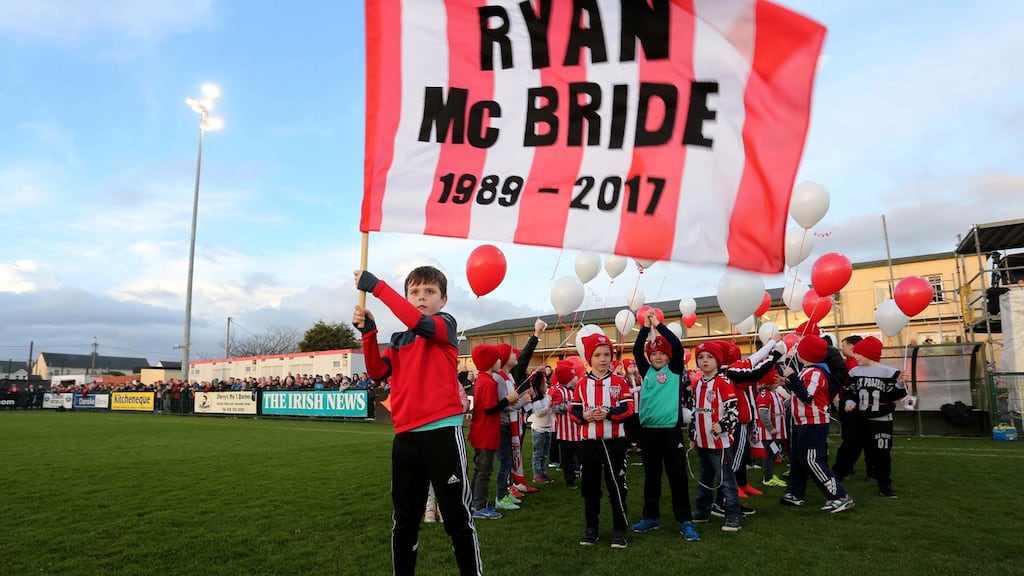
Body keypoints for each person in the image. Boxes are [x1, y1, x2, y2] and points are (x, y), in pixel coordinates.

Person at [352, 266, 482, 576]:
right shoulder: (399, 340)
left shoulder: (445, 325)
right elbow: (376, 371)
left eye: (429, 292)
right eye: (414, 292)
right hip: (406, 437)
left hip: (442, 433)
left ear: (443, 299)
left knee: (457, 519)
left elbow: (419, 322)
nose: (421, 297)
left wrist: (378, 287)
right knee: (405, 521)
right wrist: (369, 333)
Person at [629, 310, 701, 542]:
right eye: (654, 353)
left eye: (662, 353)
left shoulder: (675, 370)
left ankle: (685, 520)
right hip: (648, 432)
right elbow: (636, 349)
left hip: (671, 432)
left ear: (670, 357)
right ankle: (651, 517)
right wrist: (643, 327)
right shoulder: (646, 370)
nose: (658, 357)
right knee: (652, 476)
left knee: (677, 476)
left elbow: (677, 346)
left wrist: (658, 325)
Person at [569, 333, 635, 549]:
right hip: (588, 443)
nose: (603, 359)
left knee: (616, 486)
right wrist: (584, 416)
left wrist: (608, 412)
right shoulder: (581, 384)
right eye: (597, 355)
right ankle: (591, 527)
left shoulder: (619, 381)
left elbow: (629, 408)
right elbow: (573, 410)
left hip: (614, 442)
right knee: (590, 487)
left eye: (607, 354)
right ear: (590, 358)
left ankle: (619, 529)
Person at [779, 334, 854, 513]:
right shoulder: (807, 372)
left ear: (805, 354)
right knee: (797, 459)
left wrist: (792, 378)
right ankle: (795, 493)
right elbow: (799, 391)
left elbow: (807, 395)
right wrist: (787, 382)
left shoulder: (815, 373)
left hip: (813, 424)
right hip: (800, 422)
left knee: (812, 460)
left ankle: (839, 495)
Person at [832, 336, 907, 498]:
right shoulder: (854, 372)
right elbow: (850, 391)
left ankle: (884, 486)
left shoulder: (890, 372)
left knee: (881, 454)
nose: (855, 356)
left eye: (858, 353)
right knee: (847, 451)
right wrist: (849, 402)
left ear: (869, 354)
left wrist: (900, 384)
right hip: (858, 420)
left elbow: (894, 395)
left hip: (881, 421)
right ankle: (832, 480)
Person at [688, 340, 743, 532]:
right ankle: (702, 511)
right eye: (701, 357)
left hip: (720, 443)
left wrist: (723, 425)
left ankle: (733, 516)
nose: (705, 361)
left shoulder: (724, 382)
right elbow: (695, 413)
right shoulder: (697, 384)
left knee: (726, 481)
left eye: (709, 357)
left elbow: (733, 411)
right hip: (702, 442)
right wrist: (692, 436)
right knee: (704, 477)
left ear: (718, 361)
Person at [467, 344, 518, 520]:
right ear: (490, 362)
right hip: (485, 434)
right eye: (497, 359)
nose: (499, 361)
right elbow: (490, 408)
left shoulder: (483, 379)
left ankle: (473, 501)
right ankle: (479, 506)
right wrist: (507, 400)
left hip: (481, 432)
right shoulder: (488, 382)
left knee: (479, 469)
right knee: (484, 470)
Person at [833, 335, 868, 480]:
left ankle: (847, 468)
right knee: (849, 436)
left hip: (851, 404)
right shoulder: (848, 362)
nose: (842, 348)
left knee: (851, 437)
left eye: (845, 345)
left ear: (852, 346)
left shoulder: (854, 364)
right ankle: (849, 468)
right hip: (846, 401)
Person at [549, 360, 580, 489]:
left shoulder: (576, 390)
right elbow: (556, 408)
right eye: (574, 376)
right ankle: (570, 480)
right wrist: (572, 406)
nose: (577, 378)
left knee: (580, 456)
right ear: (568, 379)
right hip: (565, 433)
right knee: (566, 459)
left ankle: (580, 472)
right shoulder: (559, 391)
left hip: (578, 431)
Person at [528, 370, 555, 484]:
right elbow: (539, 413)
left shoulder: (547, 397)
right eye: (544, 384)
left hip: (548, 428)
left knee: (544, 454)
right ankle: (537, 474)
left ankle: (543, 472)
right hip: (539, 430)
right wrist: (549, 407)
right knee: (538, 454)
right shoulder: (535, 400)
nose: (547, 386)